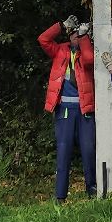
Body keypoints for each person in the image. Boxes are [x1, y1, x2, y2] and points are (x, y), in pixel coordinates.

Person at [39, 16, 97, 203]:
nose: (75, 37)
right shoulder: (60, 50)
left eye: (77, 35)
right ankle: (60, 195)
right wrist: (61, 26)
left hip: (84, 108)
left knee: (88, 149)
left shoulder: (86, 52)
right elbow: (43, 39)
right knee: (63, 150)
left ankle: (92, 189)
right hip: (64, 109)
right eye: (72, 34)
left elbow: (89, 60)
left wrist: (85, 37)